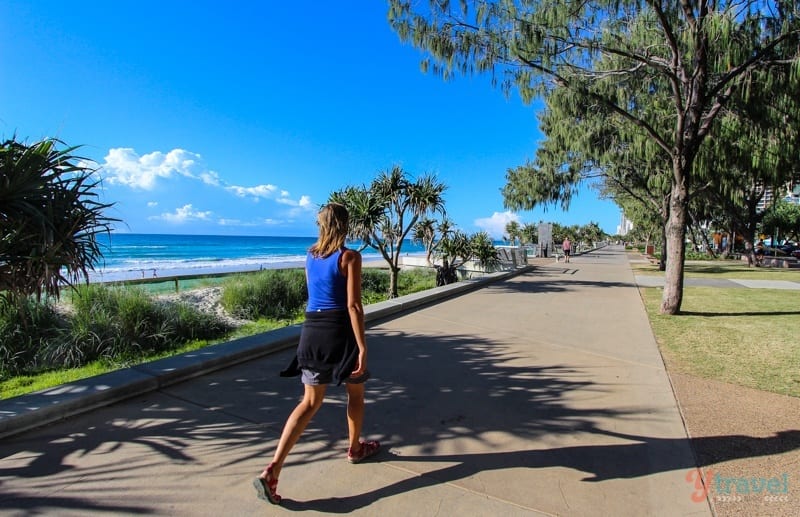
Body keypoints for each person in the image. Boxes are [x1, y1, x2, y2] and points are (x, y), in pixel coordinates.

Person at [253, 203, 379, 505]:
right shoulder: (350, 257)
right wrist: (361, 346)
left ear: (321, 225)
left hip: (312, 331)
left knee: (309, 402)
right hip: (339, 332)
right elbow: (353, 305)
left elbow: (314, 295)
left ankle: (273, 469)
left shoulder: (310, 256)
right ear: (346, 225)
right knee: (356, 393)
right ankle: (354, 449)